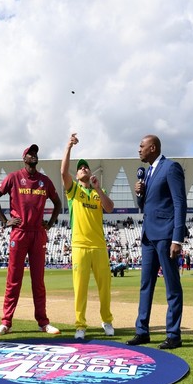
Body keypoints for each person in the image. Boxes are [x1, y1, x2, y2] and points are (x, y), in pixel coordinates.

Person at [0, 144, 62, 336]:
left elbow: (58, 203)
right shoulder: (14, 177)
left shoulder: (44, 181)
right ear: (24, 158)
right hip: (19, 233)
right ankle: (6, 322)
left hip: (38, 234)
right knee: (14, 280)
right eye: (30, 153)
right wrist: (5, 221)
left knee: (38, 280)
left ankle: (43, 322)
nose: (34, 155)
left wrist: (50, 223)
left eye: (36, 153)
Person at [127, 134, 187, 349]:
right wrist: (139, 194)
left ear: (152, 147)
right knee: (146, 285)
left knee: (172, 285)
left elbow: (180, 203)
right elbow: (145, 206)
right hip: (148, 236)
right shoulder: (147, 172)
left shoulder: (171, 168)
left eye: (141, 146)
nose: (138, 149)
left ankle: (173, 334)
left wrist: (177, 238)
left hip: (165, 235)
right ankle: (142, 331)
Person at [61, 133, 115, 340]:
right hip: (80, 246)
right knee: (80, 289)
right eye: (80, 168)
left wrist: (98, 188)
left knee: (105, 288)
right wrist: (68, 147)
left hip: (99, 246)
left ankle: (107, 321)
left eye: (86, 167)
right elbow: (63, 171)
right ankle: (80, 326)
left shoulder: (96, 193)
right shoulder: (73, 191)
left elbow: (109, 208)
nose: (83, 168)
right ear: (76, 176)